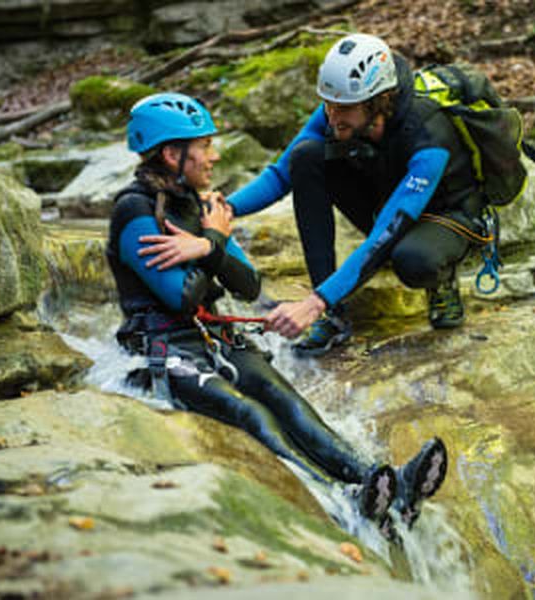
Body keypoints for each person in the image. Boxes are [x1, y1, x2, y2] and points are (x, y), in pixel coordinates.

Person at [107, 92, 447, 536]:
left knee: (285, 399)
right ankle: (340, 497)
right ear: (173, 154)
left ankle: (381, 483)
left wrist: (210, 243)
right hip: (164, 348)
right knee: (251, 414)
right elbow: (183, 301)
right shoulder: (133, 210)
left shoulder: (200, 203)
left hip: (216, 342)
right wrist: (214, 243)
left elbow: (248, 285)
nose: (215, 155)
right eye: (205, 146)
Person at [227, 32, 486, 357]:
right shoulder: (341, 111)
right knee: (307, 155)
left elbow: (384, 235)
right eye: (328, 105)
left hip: (447, 214)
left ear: (377, 102)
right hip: (389, 197)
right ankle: (333, 318)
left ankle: (442, 281)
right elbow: (281, 175)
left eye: (343, 108)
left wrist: (314, 301)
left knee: (412, 259)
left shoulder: (428, 132)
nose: (332, 117)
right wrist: (224, 208)